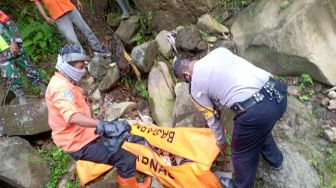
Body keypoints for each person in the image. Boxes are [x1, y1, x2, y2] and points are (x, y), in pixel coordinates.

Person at [173, 47, 288, 188]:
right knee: (259, 129)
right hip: (278, 94)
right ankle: (276, 161)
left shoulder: (195, 86)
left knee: (240, 153)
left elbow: (212, 117)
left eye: (184, 80)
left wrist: (221, 142)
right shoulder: (218, 51)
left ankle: (240, 185)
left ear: (186, 75)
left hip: (256, 112)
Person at [45, 44, 151, 188]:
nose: (83, 71)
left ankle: (127, 180)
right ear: (67, 66)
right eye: (80, 67)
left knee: (122, 138)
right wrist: (102, 125)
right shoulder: (61, 89)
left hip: (83, 133)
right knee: (125, 159)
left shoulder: (65, 81)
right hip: (78, 143)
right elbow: (72, 116)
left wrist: (102, 126)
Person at [0, 10, 46, 105]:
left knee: (30, 68)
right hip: (1, 56)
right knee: (10, 76)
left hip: (13, 47)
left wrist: (15, 41)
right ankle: (22, 101)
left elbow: (11, 24)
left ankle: (44, 90)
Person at [32, 0, 109, 55]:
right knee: (72, 39)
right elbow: (37, 2)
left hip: (70, 8)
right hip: (58, 16)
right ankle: (83, 59)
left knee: (86, 29)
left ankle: (98, 49)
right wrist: (45, 16)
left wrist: (78, 1)